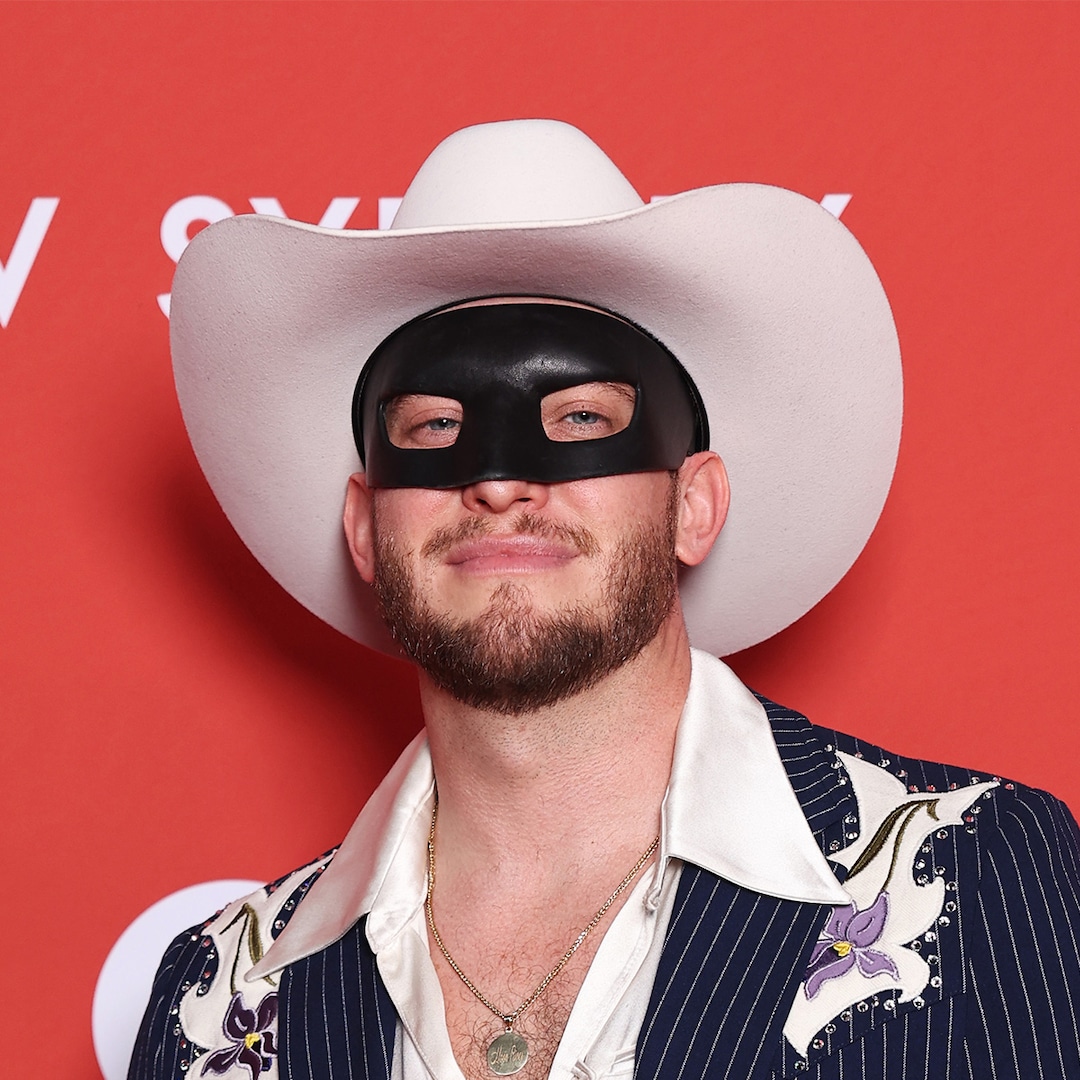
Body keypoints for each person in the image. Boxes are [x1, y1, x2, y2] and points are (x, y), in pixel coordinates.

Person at [130, 121, 1080, 1080]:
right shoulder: (213, 1000)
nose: (499, 483)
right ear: (367, 531)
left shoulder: (973, 875)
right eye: (435, 426)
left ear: (693, 507)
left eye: (582, 417)